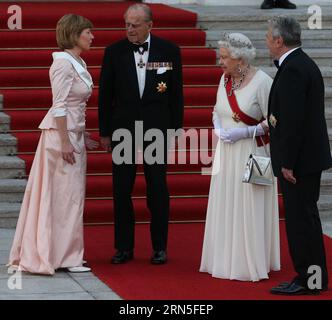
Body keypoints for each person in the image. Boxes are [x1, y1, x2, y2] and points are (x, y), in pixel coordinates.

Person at [7, 14, 98, 275]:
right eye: (87, 33)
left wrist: (81, 135)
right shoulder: (63, 65)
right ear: (73, 34)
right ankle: (66, 257)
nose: (92, 37)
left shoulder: (77, 61)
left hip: (72, 135)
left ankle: (64, 254)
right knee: (65, 198)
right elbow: (58, 106)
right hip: (61, 139)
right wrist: (66, 141)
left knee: (69, 198)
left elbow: (74, 107)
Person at [98, 4, 183, 265]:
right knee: (121, 189)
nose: (129, 29)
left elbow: (176, 93)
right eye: (126, 24)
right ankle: (123, 247)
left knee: (157, 188)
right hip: (123, 129)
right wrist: (104, 132)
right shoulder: (113, 52)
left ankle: (160, 247)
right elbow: (105, 95)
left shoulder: (169, 50)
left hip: (157, 128)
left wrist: (176, 128)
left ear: (150, 25)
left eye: (135, 25)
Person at [200, 33, 280, 282]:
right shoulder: (224, 79)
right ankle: (223, 258)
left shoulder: (262, 82)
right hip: (226, 152)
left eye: (224, 57)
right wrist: (217, 126)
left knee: (250, 206)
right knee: (225, 202)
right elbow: (217, 109)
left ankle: (249, 262)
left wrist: (246, 131)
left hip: (253, 152)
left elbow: (275, 119)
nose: (219, 62)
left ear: (240, 59)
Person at [266, 16, 332, 295]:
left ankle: (309, 278)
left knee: (301, 222)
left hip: (299, 162)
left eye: (269, 37)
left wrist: (288, 163)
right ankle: (312, 277)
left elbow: (292, 122)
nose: (267, 42)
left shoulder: (294, 69)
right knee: (306, 219)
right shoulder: (301, 63)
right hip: (306, 159)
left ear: (279, 40)